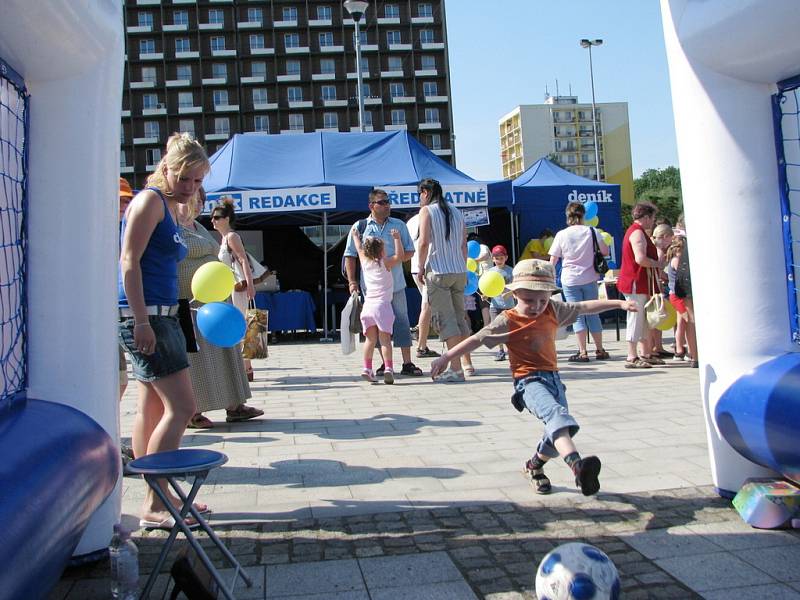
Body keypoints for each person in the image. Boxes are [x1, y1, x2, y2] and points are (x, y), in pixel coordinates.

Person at [430, 259, 639, 495]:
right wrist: (446, 357)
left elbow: (584, 307)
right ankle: (578, 468)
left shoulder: (553, 309)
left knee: (557, 431)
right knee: (557, 417)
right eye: (529, 300)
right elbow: (477, 339)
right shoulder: (507, 320)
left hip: (554, 381)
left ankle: (534, 467)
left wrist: (619, 304)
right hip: (528, 382)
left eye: (543, 299)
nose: (537, 306)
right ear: (515, 293)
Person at [118, 132, 209, 527]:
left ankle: (160, 495)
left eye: (198, 181)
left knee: (151, 408)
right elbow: (127, 261)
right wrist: (140, 320)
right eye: (185, 178)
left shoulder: (168, 206)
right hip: (149, 316)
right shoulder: (149, 201)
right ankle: (156, 504)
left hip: (161, 314)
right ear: (166, 170)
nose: (190, 187)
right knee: (183, 408)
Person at [176, 189, 263, 427]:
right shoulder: (173, 226)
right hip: (190, 302)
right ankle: (192, 411)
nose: (199, 205)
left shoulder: (199, 228)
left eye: (201, 200)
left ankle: (235, 404)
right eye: (194, 199)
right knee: (197, 359)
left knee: (225, 353)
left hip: (215, 300)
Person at [343, 189, 424, 377]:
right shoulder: (361, 226)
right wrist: (352, 281)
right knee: (376, 328)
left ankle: (407, 362)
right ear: (371, 205)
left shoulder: (399, 225)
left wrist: (396, 259)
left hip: (396, 285)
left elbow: (410, 251)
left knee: (402, 322)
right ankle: (384, 364)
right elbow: (351, 255)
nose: (387, 205)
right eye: (382, 202)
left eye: (388, 202)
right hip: (371, 289)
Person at [415, 179, 469, 383]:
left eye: (420, 193)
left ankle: (456, 369)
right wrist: (462, 266)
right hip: (458, 270)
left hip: (438, 270)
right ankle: (465, 363)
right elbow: (464, 244)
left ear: (426, 192)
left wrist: (420, 267)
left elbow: (424, 242)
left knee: (446, 321)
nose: (420, 197)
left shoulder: (427, 211)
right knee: (460, 319)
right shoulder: (456, 211)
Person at [548, 202, 611, 362]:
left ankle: (582, 352)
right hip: (590, 277)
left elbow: (553, 259)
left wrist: (548, 276)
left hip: (570, 279)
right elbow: (605, 251)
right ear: (583, 215)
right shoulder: (592, 231)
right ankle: (599, 349)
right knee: (593, 313)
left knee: (576, 315)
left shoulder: (562, 234)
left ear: (567, 216)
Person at [616, 201, 666, 369]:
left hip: (640, 282)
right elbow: (640, 259)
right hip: (635, 282)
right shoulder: (637, 233)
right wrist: (658, 265)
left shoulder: (637, 232)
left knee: (644, 319)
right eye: (652, 218)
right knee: (636, 318)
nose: (653, 221)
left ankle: (646, 353)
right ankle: (631, 355)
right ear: (645, 217)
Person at [351, 227, 404, 384]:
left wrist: (355, 236)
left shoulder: (364, 262)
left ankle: (367, 368)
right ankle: (388, 368)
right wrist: (397, 238)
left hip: (368, 307)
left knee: (370, 340)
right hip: (382, 306)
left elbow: (359, 248)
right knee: (385, 341)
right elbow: (400, 256)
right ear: (381, 252)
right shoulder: (385, 263)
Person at [211, 199, 256, 381]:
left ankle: (246, 367)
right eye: (212, 217)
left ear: (227, 218)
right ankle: (245, 367)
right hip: (228, 287)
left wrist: (250, 284)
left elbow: (243, 259)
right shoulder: (224, 238)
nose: (212, 221)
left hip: (237, 288)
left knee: (241, 324)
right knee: (238, 324)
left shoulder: (231, 237)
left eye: (217, 217)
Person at [406, 209, 440, 359]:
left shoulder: (410, 222)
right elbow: (425, 243)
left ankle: (423, 343)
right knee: (426, 306)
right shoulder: (430, 217)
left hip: (415, 267)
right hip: (427, 267)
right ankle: (421, 346)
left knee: (428, 306)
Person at [118, 178, 135, 468]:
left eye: (125, 200)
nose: (122, 205)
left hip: (116, 315)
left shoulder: (127, 231)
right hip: (97, 318)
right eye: (118, 201)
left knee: (120, 382)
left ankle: (114, 441)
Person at [650, 224, 675, 358]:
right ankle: (657, 347)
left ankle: (656, 346)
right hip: (657, 286)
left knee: (654, 317)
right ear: (665, 237)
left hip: (653, 285)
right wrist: (667, 277)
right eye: (670, 239)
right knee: (657, 317)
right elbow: (659, 272)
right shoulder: (659, 251)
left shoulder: (653, 247)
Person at [673, 234, 698, 368]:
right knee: (692, 318)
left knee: (690, 318)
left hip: (684, 275)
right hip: (690, 274)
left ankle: (694, 356)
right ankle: (694, 354)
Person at [488, 244, 515, 361]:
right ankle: (500, 351)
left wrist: (509, 294)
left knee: (509, 328)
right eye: (496, 258)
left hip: (509, 306)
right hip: (495, 305)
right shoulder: (490, 272)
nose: (498, 260)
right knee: (497, 329)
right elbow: (487, 287)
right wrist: (485, 295)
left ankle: (513, 350)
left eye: (501, 258)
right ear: (492, 259)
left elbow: (515, 287)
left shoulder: (511, 271)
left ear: (506, 257)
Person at [666, 236, 690, 362]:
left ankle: (680, 348)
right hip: (677, 296)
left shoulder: (675, 259)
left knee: (681, 323)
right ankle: (682, 349)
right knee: (687, 320)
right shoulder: (677, 261)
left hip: (675, 295)